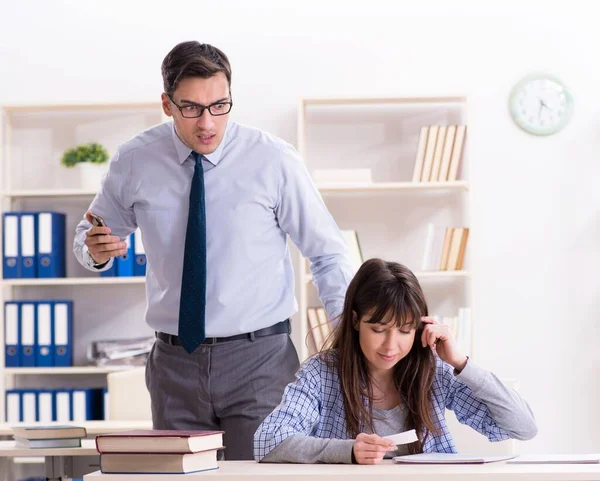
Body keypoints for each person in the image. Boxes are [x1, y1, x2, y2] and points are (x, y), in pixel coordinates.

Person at [72, 41, 354, 460]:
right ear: (167, 104)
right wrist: (94, 250)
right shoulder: (135, 161)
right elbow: (87, 236)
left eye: (219, 105)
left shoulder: (273, 160)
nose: (207, 122)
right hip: (173, 364)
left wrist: (347, 341)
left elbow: (328, 253)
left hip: (260, 360)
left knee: (264, 474)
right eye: (191, 108)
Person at [254, 258, 538, 464]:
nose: (391, 346)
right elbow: (267, 441)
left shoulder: (434, 371)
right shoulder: (323, 373)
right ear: (355, 321)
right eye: (378, 330)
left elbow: (523, 428)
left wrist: (461, 363)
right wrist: (348, 451)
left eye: (405, 331)